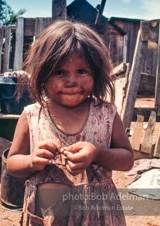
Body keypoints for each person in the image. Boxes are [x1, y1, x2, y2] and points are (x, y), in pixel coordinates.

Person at [7, 20, 134, 226]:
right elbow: (13, 163)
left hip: (98, 216)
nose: (71, 81)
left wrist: (97, 153)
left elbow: (127, 160)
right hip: (47, 217)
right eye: (60, 72)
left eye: (82, 71)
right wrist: (31, 161)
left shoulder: (106, 114)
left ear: (96, 72)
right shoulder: (32, 115)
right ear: (43, 74)